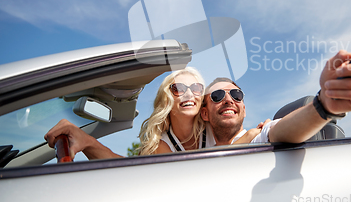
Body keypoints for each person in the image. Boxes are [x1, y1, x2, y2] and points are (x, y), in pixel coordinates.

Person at [45, 67, 267, 159]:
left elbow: (239, 138)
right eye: (179, 89)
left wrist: (256, 134)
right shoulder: (161, 145)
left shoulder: (214, 126)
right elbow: (130, 174)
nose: (189, 94)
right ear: (167, 101)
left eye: (197, 88)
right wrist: (88, 142)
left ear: (202, 102)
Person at [201, 50, 351, 145]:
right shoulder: (197, 150)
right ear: (204, 114)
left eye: (236, 94)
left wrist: (324, 105)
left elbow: (281, 130)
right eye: (217, 96)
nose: (229, 100)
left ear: (244, 109)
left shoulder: (258, 138)